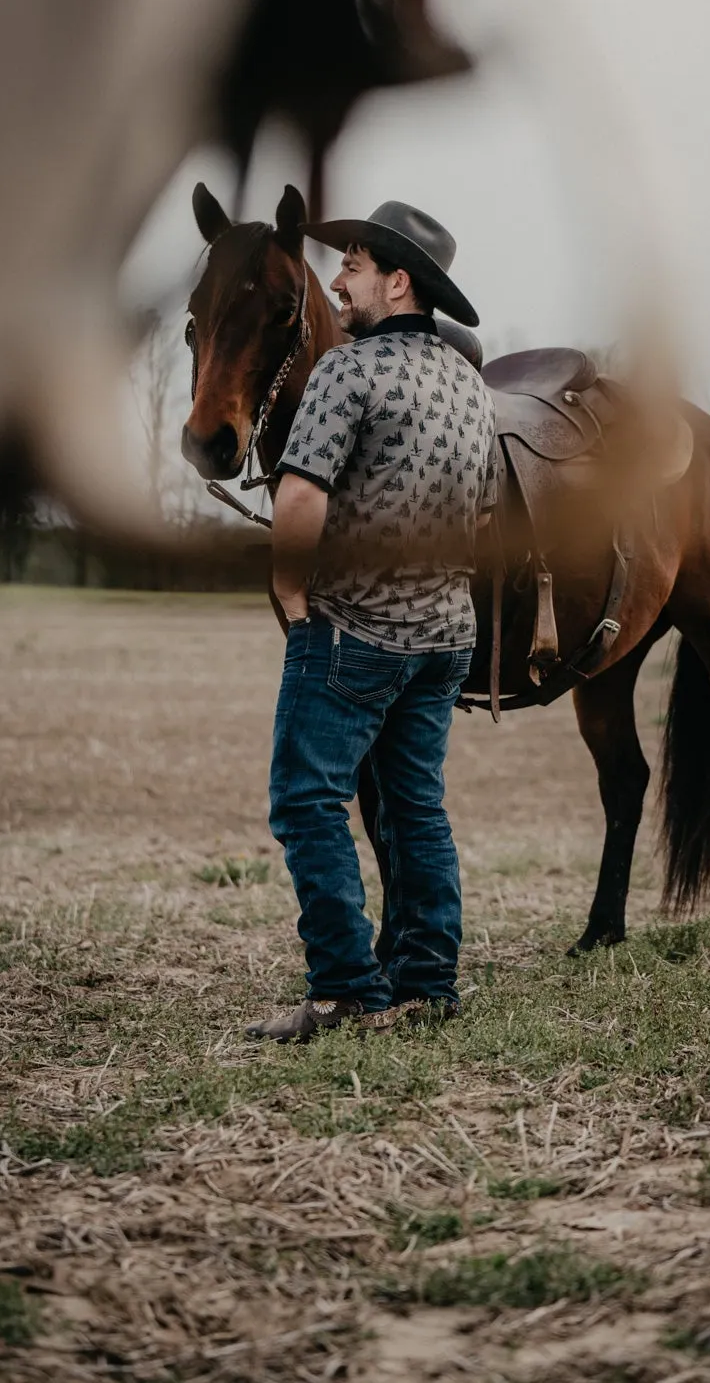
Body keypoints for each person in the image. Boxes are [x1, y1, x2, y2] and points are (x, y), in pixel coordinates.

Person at [246, 202, 496, 1043]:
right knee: (415, 806)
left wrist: (289, 592)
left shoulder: (346, 371)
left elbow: (304, 490)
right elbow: (483, 510)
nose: (336, 279)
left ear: (398, 282)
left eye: (351, 264)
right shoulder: (468, 383)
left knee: (306, 801)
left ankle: (347, 989)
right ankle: (427, 984)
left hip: (354, 629)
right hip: (446, 636)